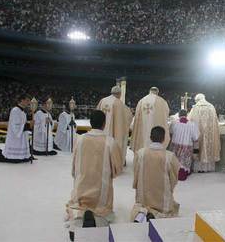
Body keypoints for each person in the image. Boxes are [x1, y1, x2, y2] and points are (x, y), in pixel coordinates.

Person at [66, 110, 122, 241]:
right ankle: (97, 221)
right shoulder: (110, 142)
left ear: (90, 123)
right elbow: (117, 169)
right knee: (102, 211)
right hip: (100, 193)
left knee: (79, 204)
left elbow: (74, 166)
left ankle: (80, 219)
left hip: (81, 189)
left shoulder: (80, 139)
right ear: (104, 124)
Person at [131, 126, 180, 222]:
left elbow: (135, 173)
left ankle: (144, 214)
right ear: (163, 139)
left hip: (144, 197)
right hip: (162, 199)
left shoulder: (140, 153)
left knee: (141, 206)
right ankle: (155, 215)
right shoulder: (170, 156)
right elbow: (174, 178)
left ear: (150, 137)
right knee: (168, 210)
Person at [0, 94, 33, 163]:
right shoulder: (15, 110)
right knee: (13, 159)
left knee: (22, 159)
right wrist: (29, 125)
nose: (29, 102)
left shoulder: (23, 112)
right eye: (27, 100)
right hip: (15, 138)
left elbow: (22, 125)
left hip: (21, 138)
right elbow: (16, 127)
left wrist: (30, 125)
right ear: (22, 100)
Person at [96, 86, 129, 167]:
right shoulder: (119, 103)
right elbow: (125, 119)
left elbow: (96, 113)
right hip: (114, 133)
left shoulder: (102, 101)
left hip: (101, 130)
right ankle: (113, 163)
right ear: (119, 94)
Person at [188, 93, 221, 173]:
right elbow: (216, 122)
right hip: (209, 133)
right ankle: (209, 168)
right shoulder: (211, 107)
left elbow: (190, 120)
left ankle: (199, 168)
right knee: (208, 146)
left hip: (199, 133)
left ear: (197, 100)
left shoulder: (196, 107)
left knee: (199, 146)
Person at [131, 87, 170, 152]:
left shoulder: (141, 101)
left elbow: (137, 117)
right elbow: (166, 114)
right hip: (156, 133)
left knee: (142, 151)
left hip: (143, 132)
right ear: (157, 92)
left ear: (149, 91)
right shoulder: (162, 102)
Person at [169, 109, 200, 180]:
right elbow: (196, 138)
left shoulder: (174, 123)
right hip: (187, 146)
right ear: (186, 116)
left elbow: (170, 132)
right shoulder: (192, 124)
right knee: (184, 163)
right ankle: (184, 171)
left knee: (175, 161)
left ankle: (175, 172)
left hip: (175, 146)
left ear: (179, 115)